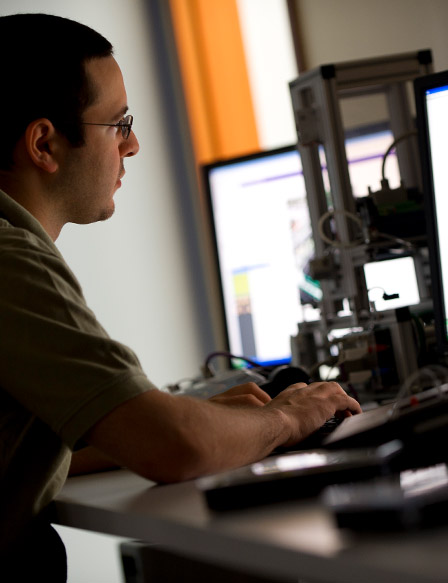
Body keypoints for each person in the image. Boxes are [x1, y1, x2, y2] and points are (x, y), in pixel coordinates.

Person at [0, 12, 361, 582]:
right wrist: (292, 416)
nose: (134, 144)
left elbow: (54, 446)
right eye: (119, 124)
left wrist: (200, 418)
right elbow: (171, 448)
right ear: (44, 143)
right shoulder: (9, 261)